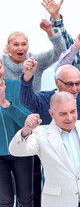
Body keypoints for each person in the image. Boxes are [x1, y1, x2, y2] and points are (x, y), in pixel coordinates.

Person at [20, 60, 80, 124]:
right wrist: (27, 77)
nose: (74, 88)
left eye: (77, 83)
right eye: (69, 84)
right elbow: (26, 100)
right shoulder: (44, 100)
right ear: (57, 83)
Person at [0, 59, 32, 207]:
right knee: (5, 201)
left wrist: (6, 104)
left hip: (21, 151)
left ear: (3, 68)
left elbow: (27, 120)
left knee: (25, 200)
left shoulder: (16, 86)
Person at [2, 19, 65, 92]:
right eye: (16, 45)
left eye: (23, 44)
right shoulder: (2, 63)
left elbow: (60, 52)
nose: (20, 48)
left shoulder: (36, 60)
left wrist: (50, 32)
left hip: (32, 103)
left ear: (28, 46)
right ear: (8, 47)